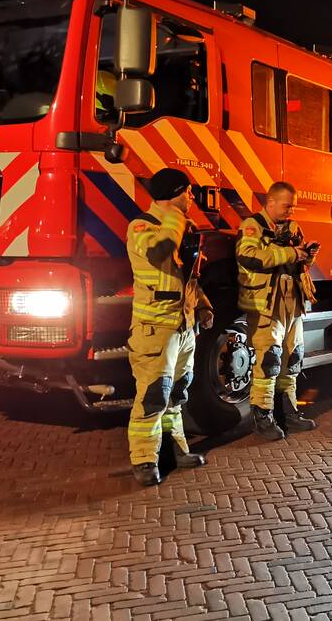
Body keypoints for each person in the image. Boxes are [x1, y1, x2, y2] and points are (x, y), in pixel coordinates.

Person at [126, 168, 214, 486]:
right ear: (173, 193)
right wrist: (175, 218)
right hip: (155, 328)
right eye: (187, 191)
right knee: (153, 396)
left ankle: (176, 450)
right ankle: (144, 460)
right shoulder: (142, 226)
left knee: (176, 394)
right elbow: (158, 252)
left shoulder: (180, 229)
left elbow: (185, 276)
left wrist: (202, 306)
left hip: (182, 325)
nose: (191, 197)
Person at [236, 181, 319, 440]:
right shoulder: (252, 226)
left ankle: (290, 414)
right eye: (286, 206)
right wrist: (291, 253)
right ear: (270, 202)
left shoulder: (293, 228)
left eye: (292, 207)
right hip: (266, 304)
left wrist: (308, 255)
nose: (290, 212)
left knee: (292, 358)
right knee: (269, 360)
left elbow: (298, 260)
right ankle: (263, 418)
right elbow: (249, 257)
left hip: (292, 302)